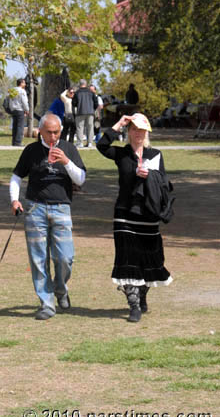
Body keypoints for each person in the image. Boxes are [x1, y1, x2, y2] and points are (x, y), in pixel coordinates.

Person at [96, 113, 173, 323]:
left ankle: (142, 295)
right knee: (127, 259)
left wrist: (151, 176)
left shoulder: (155, 154)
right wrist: (119, 124)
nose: (138, 134)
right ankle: (134, 306)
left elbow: (165, 183)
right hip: (124, 214)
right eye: (134, 129)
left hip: (148, 215)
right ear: (129, 132)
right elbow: (101, 145)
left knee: (149, 259)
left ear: (147, 132)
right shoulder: (122, 154)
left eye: (141, 130)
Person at [9, 113, 86, 320]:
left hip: (61, 208)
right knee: (38, 259)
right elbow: (17, 176)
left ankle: (60, 289)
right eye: (49, 132)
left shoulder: (69, 148)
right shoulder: (31, 150)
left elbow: (81, 178)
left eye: (57, 132)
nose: (53, 136)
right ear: (40, 131)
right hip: (36, 208)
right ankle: (46, 303)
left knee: (65, 257)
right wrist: (15, 200)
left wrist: (66, 161)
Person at [72, 79, 98, 148]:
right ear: (86, 84)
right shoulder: (91, 92)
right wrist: (93, 109)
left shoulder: (77, 93)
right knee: (90, 128)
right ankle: (89, 143)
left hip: (80, 111)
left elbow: (73, 103)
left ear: (79, 84)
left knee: (80, 127)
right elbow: (96, 102)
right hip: (90, 112)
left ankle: (80, 143)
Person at [9, 78, 29, 146]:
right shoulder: (22, 91)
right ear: (21, 83)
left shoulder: (12, 90)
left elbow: (9, 101)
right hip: (20, 110)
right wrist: (27, 110)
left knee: (14, 126)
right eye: (24, 83)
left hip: (13, 110)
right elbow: (24, 102)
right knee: (20, 126)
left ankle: (14, 142)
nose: (25, 84)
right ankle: (18, 142)